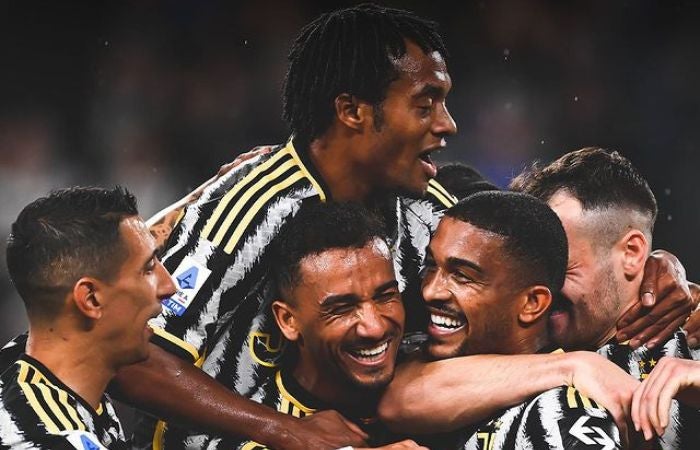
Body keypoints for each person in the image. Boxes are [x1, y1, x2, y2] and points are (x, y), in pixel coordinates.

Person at [510, 147, 700, 448]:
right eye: (526, 269)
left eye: (558, 266)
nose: (538, 291)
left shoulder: (693, 345)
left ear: (632, 253)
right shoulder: (506, 348)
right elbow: (409, 393)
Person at [417, 191, 627, 449]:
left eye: (462, 276)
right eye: (430, 265)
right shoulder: (406, 354)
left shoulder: (561, 418)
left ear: (532, 304)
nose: (430, 291)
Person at [233, 201, 425, 450]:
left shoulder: (432, 366)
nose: (375, 328)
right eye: (342, 309)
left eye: (385, 296)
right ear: (288, 321)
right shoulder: (256, 438)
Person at [0, 186, 176, 449]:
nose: (169, 286)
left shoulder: (26, 367)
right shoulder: (43, 439)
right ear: (91, 298)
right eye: (148, 269)